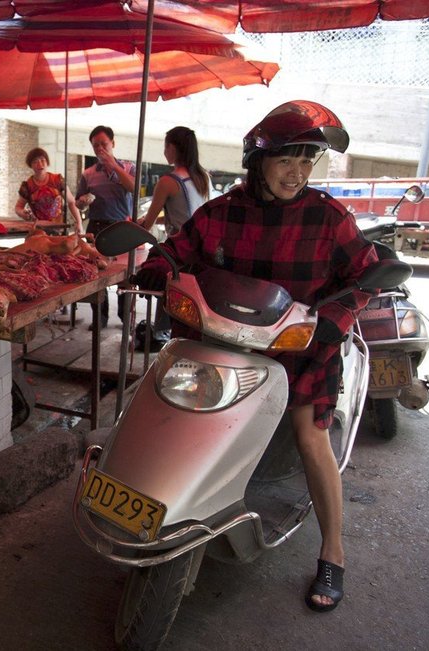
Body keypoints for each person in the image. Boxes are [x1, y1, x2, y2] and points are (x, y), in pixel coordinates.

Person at [133, 100, 378, 614]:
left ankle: (333, 552)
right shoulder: (221, 213)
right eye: (287, 160)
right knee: (163, 399)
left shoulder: (329, 218)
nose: (298, 172)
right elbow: (178, 246)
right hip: (225, 347)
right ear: (257, 162)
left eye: (307, 161)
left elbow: (366, 276)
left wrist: (337, 318)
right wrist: (159, 263)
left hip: (301, 351)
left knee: (312, 440)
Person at [137, 126, 211, 340]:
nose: (164, 152)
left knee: (175, 311)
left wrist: (133, 226)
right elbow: (187, 216)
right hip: (201, 251)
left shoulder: (168, 182)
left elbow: (148, 223)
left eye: (165, 146)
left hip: (179, 254)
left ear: (173, 147)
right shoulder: (201, 176)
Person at [76, 125, 137, 330]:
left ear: (113, 143)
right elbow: (78, 202)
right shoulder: (88, 173)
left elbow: (134, 189)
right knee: (96, 274)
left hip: (121, 226)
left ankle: (125, 318)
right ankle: (99, 318)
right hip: (96, 226)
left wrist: (113, 165)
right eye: (95, 146)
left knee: (124, 275)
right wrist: (82, 202)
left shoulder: (128, 167)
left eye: (104, 144)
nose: (100, 148)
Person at [14, 147, 83, 234]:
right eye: (35, 161)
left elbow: (71, 202)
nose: (40, 164)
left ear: (47, 162)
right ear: (30, 165)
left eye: (42, 160)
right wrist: (22, 213)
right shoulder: (27, 186)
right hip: (38, 230)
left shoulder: (57, 180)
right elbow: (18, 207)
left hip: (59, 229)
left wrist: (79, 222)